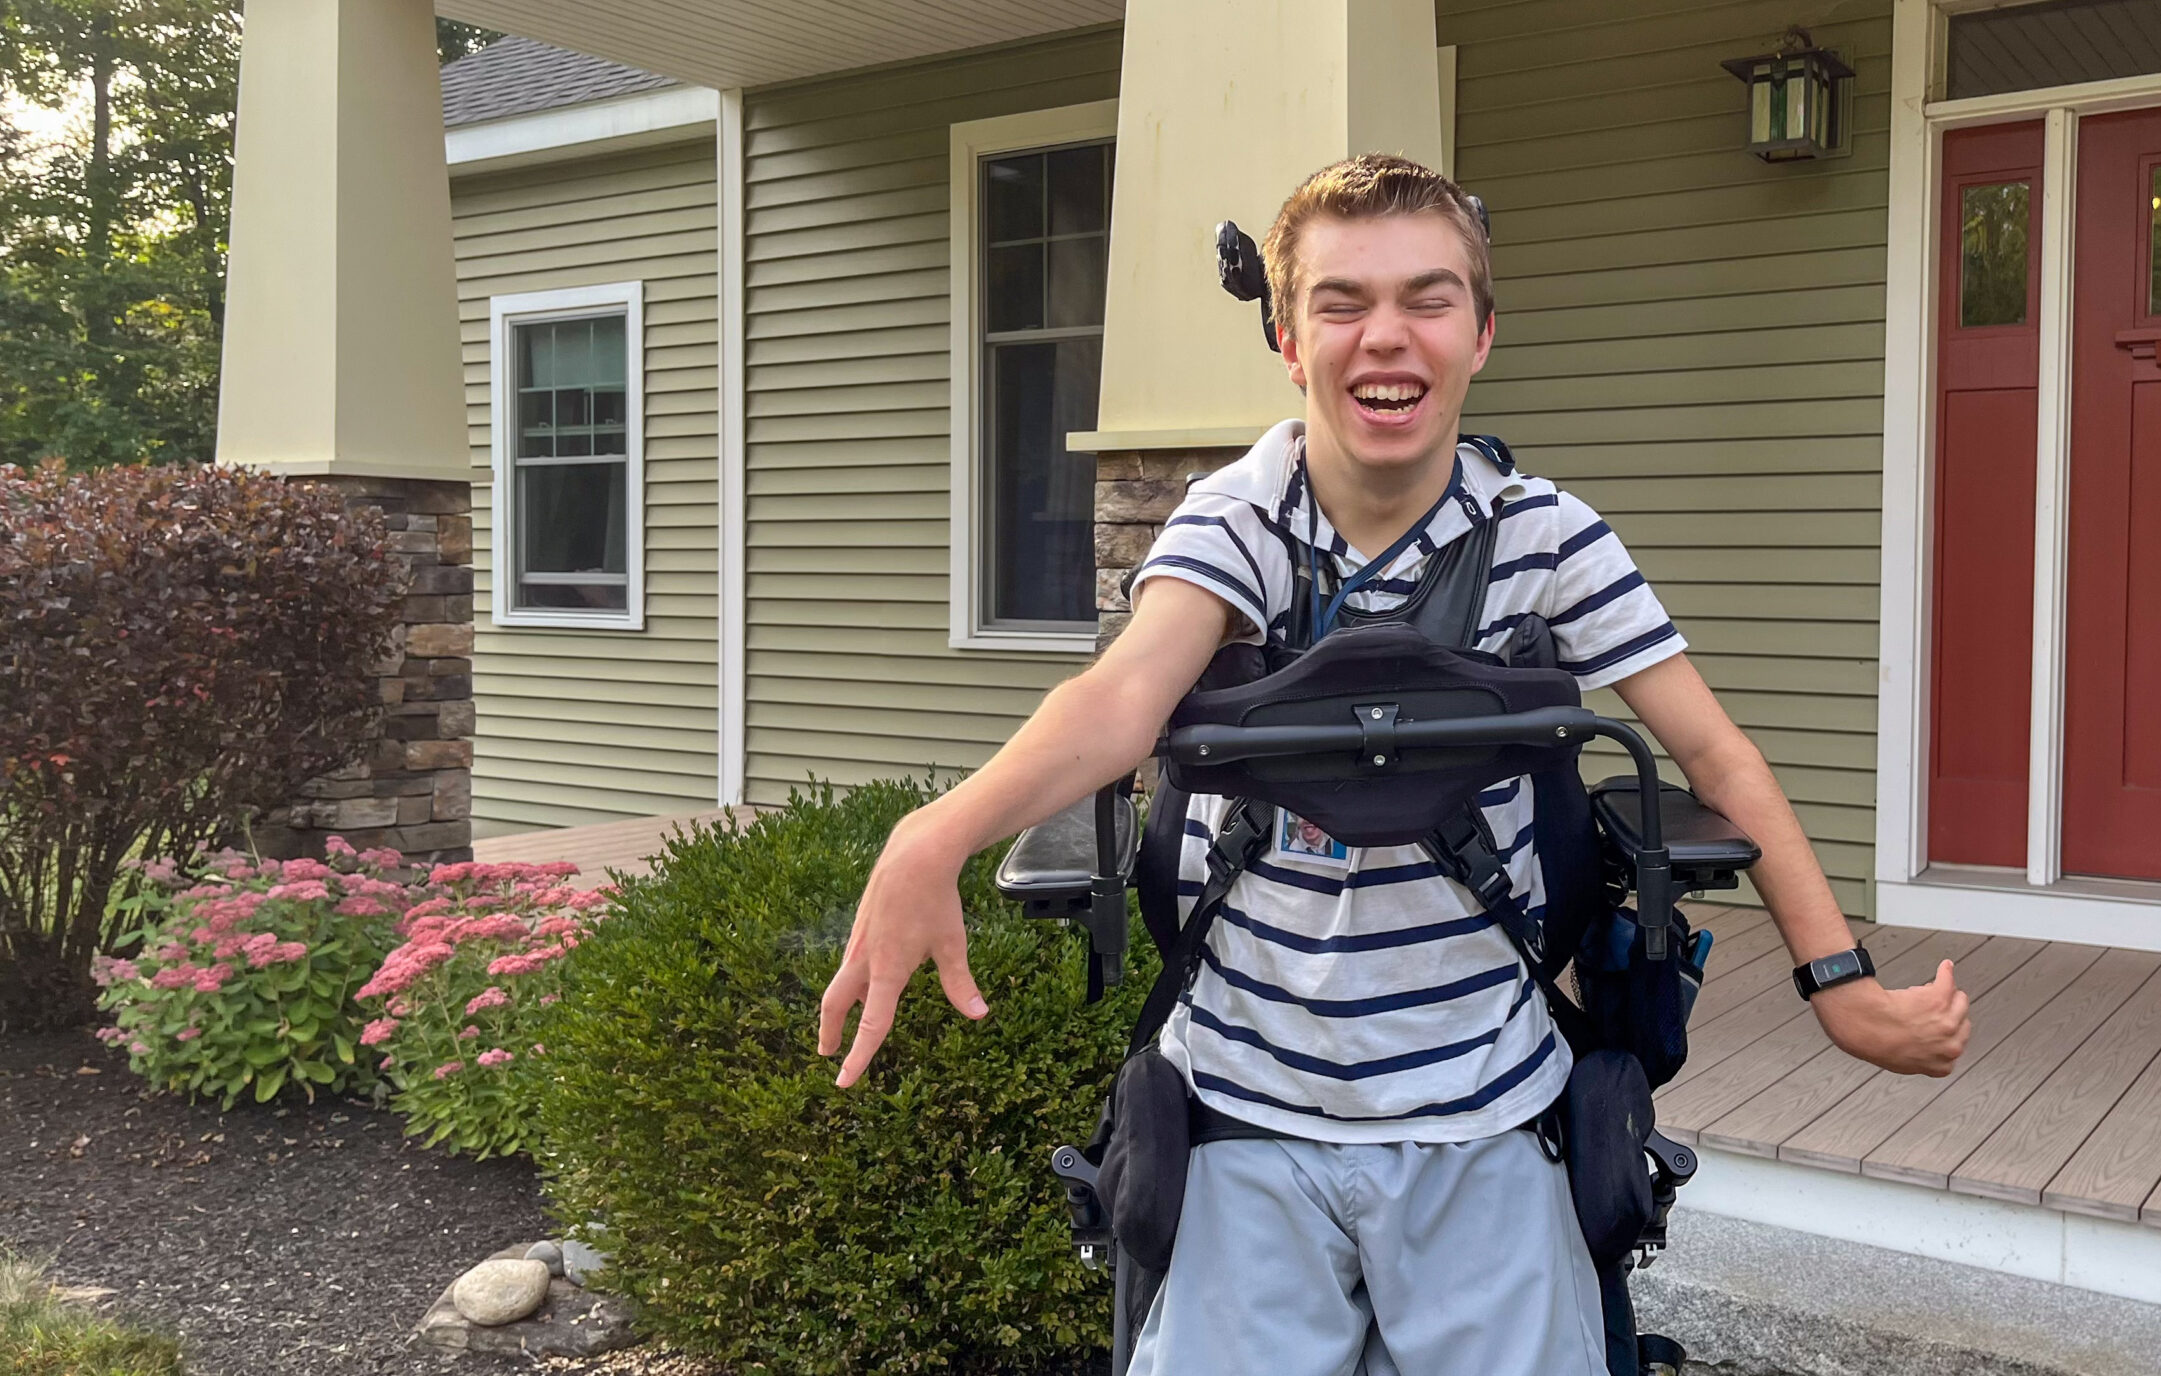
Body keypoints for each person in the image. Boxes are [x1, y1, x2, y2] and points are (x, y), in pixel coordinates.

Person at [817, 154, 1971, 1376]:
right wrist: (934, 833)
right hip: (1244, 1107)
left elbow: (1710, 751)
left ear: (1480, 333)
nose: (1386, 337)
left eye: (1427, 299)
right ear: (1285, 337)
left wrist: (1835, 978)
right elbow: (1119, 699)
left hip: (1484, 1101)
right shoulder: (1237, 519)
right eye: (1340, 301)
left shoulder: (1549, 539)